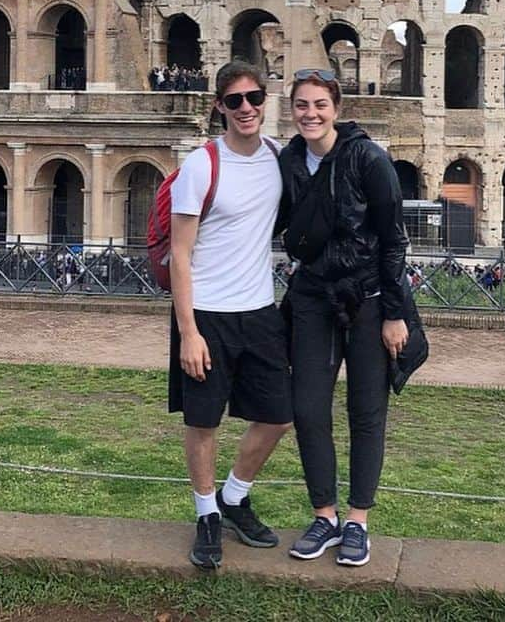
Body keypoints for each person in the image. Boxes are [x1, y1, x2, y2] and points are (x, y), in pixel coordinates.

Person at [278, 68, 408, 568]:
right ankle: (324, 515)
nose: (310, 114)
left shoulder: (368, 158)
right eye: (301, 106)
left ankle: (358, 520)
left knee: (366, 411)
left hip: (369, 297)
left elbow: (394, 238)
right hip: (313, 296)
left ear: (336, 107)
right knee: (308, 407)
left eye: (319, 105)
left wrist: (394, 314)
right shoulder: (288, 160)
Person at [168, 61, 292, 570]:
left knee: (279, 415)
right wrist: (188, 332)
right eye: (235, 100)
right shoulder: (201, 165)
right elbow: (179, 253)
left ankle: (234, 496)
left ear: (265, 100)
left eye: (254, 97)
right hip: (208, 313)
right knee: (204, 421)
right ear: (219, 105)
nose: (247, 108)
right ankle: (206, 516)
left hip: (259, 310)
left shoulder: (278, 157)